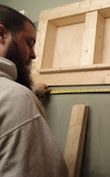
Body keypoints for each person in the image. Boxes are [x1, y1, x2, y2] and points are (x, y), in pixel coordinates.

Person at [0, 5, 68, 177]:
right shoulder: (16, 99)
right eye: (29, 43)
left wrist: (31, 91)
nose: (33, 55)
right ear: (1, 34)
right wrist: (24, 97)